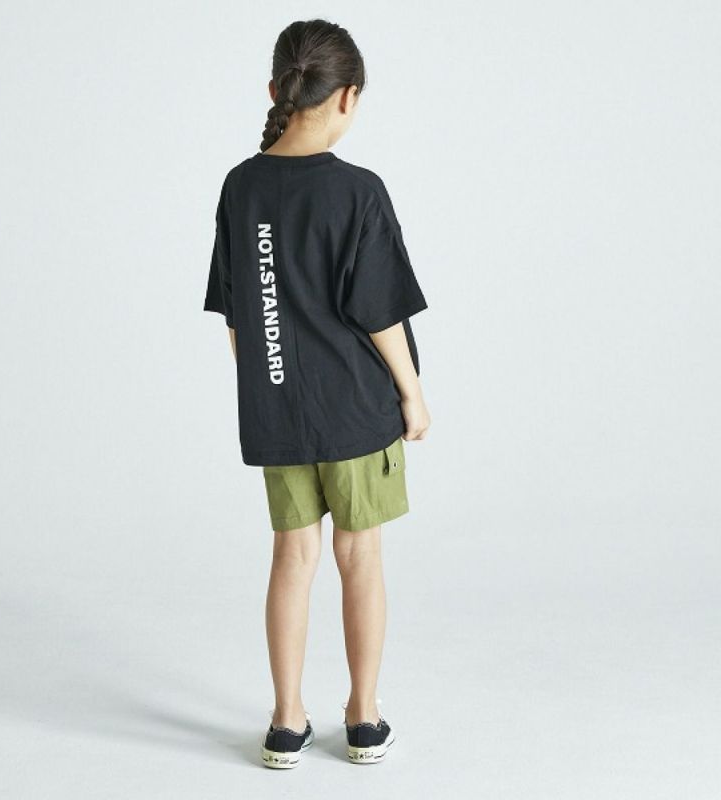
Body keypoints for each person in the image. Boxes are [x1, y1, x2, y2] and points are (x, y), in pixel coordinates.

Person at [202, 18, 431, 768]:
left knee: (291, 556)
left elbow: (239, 317)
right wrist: (412, 393)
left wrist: (266, 388)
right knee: (359, 555)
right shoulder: (357, 191)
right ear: (348, 97)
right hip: (357, 412)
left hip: (277, 410)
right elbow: (379, 312)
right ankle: (362, 718)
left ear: (276, 90)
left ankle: (285, 722)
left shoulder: (240, 188)